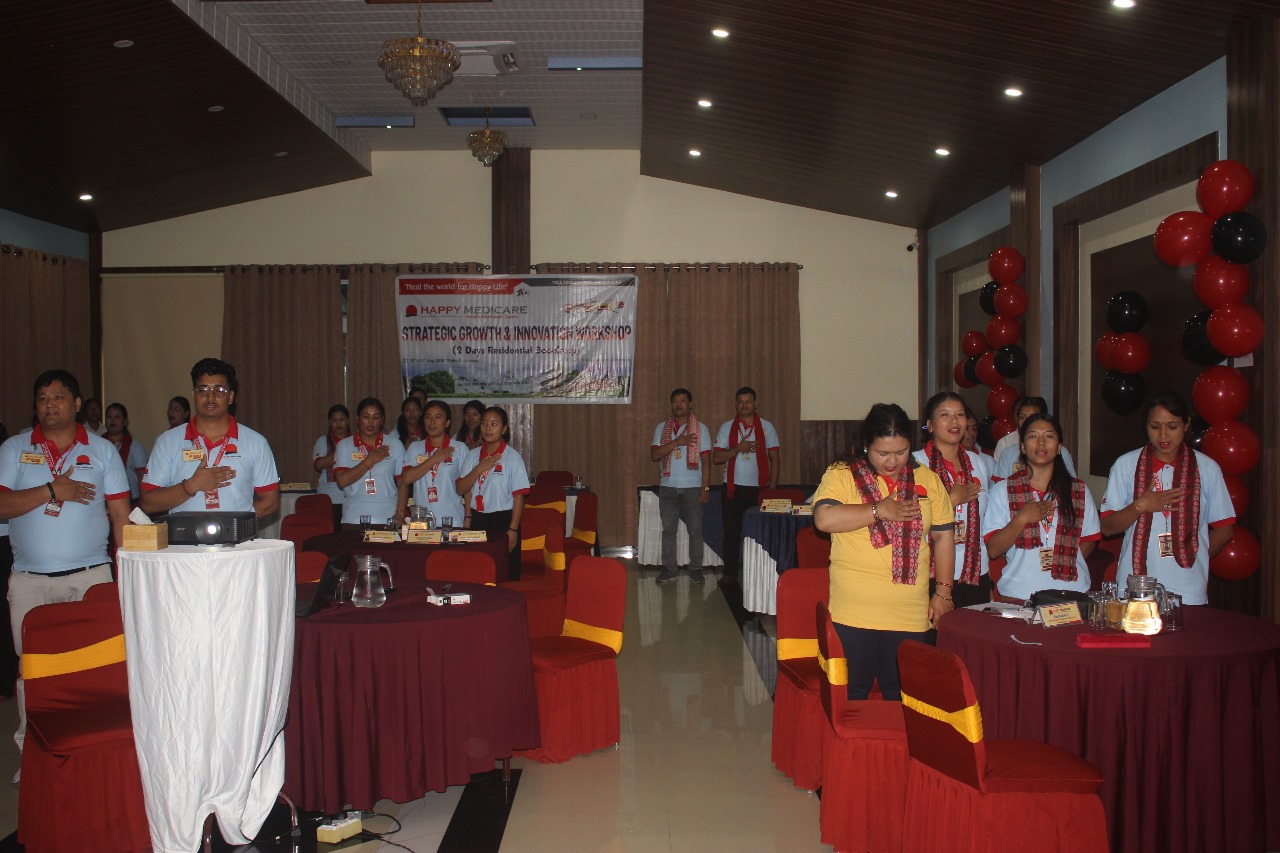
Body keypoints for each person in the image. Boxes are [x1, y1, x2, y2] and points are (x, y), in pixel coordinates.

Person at [0, 370, 130, 774]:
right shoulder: (15, 448)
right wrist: (53, 491)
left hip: (90, 578)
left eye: (58, 397)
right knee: (33, 671)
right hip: (30, 581)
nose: (49, 405)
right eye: (42, 398)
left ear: (76, 404)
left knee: (94, 666)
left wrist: (127, 574)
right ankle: (34, 758)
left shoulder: (103, 451)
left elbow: (120, 517)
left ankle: (92, 749)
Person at [813, 403, 954, 700]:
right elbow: (824, 519)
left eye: (901, 452)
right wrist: (879, 510)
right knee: (852, 693)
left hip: (909, 611)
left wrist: (943, 593)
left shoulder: (928, 480)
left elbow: (943, 538)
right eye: (883, 453)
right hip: (853, 611)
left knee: (904, 696)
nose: (892, 461)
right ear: (866, 446)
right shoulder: (842, 474)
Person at [1100, 391, 1234, 605]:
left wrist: (1195, 555)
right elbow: (1107, 527)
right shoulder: (1125, 465)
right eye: (1155, 426)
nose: (1163, 436)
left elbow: (1224, 528)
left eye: (1172, 426)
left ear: (1186, 425)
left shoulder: (1207, 468)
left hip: (1188, 588)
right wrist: (1140, 505)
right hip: (1135, 584)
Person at [142, 358, 280, 518]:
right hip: (183, 535)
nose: (210, 397)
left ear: (231, 397)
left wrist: (233, 526)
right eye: (203, 390)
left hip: (235, 534)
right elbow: (148, 503)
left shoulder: (256, 443)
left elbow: (270, 502)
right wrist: (190, 486)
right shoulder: (168, 441)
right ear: (194, 394)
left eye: (219, 390)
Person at [982, 412, 1099, 601]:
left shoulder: (1078, 490)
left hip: (1071, 594)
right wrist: (1021, 519)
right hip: (1019, 595)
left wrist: (1064, 561)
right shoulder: (1002, 491)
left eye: (1049, 436)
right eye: (1033, 436)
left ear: (1059, 447)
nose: (1041, 443)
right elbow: (993, 549)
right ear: (1022, 446)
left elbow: (1089, 539)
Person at [914, 392, 993, 607]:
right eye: (945, 415)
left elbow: (983, 523)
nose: (954, 421)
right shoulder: (916, 464)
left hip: (975, 573)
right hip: (930, 574)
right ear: (930, 425)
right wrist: (951, 500)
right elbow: (911, 522)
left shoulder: (977, 462)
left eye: (960, 414)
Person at [713, 386, 780, 583]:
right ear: (736, 405)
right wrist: (738, 448)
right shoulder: (727, 427)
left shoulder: (767, 427)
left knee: (760, 533)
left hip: (759, 490)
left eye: (748, 401)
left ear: (755, 404)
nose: (744, 405)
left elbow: (775, 459)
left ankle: (762, 572)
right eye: (741, 402)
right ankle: (730, 573)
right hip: (732, 488)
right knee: (731, 534)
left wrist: (772, 490)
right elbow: (716, 458)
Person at [456, 406, 530, 580]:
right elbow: (462, 489)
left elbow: (519, 497)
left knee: (505, 572)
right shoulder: (472, 456)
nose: (488, 428)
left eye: (494, 424)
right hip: (477, 519)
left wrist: (513, 529)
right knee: (478, 571)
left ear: (504, 429)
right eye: (484, 423)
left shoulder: (512, 458)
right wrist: (479, 469)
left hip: (503, 520)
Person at [651, 388, 712, 585]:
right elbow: (655, 455)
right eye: (675, 401)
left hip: (693, 488)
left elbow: (706, 461)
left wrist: (705, 488)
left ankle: (696, 570)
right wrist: (678, 442)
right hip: (667, 487)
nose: (678, 404)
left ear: (690, 404)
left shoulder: (700, 428)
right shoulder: (662, 428)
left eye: (682, 401)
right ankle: (669, 570)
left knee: (695, 531)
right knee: (669, 531)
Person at [332, 398, 404, 529]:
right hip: (354, 518)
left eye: (376, 417)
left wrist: (400, 513)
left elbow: (402, 482)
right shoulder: (344, 445)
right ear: (357, 418)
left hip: (388, 517)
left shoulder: (395, 444)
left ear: (382, 420)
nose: (370, 422)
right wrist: (369, 461)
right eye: (366, 417)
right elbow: (342, 481)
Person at [399, 399, 467, 528]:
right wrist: (434, 459)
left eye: (438, 417)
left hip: (452, 519)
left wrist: (468, 516)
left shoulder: (459, 448)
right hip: (421, 522)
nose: (432, 422)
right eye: (428, 417)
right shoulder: (415, 447)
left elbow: (467, 487)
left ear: (447, 422)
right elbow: (406, 478)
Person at [991, 395, 1076, 480]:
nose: (1026, 421)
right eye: (1022, 417)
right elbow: (1000, 484)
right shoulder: (1008, 453)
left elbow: (1071, 482)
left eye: (1032, 417)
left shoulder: (1061, 452)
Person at [312, 403, 350, 530]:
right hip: (328, 498)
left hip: (351, 498)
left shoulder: (356, 441)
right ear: (329, 422)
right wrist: (341, 450)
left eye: (342, 419)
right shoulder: (322, 441)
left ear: (348, 421)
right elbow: (318, 465)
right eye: (334, 420)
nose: (338, 423)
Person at [104, 403, 148, 502]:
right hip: (102, 501)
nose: (112, 420)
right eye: (109, 417)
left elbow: (142, 477)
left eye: (117, 417)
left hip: (131, 500)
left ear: (125, 422)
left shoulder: (135, 446)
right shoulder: (98, 444)